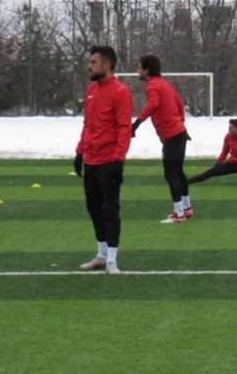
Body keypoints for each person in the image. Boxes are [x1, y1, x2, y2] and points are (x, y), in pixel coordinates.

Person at [74, 45, 133, 275]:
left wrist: (118, 161)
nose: (89, 66)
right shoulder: (91, 90)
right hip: (91, 160)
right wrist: (80, 152)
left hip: (109, 161)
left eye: (93, 63)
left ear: (106, 65)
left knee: (110, 209)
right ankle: (101, 254)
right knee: (93, 207)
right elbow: (87, 125)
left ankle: (112, 260)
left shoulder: (120, 92)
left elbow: (124, 129)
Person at [131, 54, 193, 223]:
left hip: (172, 136)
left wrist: (136, 123)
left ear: (147, 70)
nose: (137, 71)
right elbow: (179, 103)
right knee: (178, 172)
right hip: (179, 133)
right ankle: (186, 209)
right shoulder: (164, 83)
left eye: (139, 68)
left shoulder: (152, 86)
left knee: (170, 174)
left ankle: (179, 214)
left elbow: (153, 104)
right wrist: (180, 122)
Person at [188, 118, 237, 186]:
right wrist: (218, 163)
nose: (228, 130)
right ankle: (187, 182)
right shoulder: (228, 137)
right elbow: (224, 152)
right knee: (211, 172)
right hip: (232, 162)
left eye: (231, 128)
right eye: (229, 128)